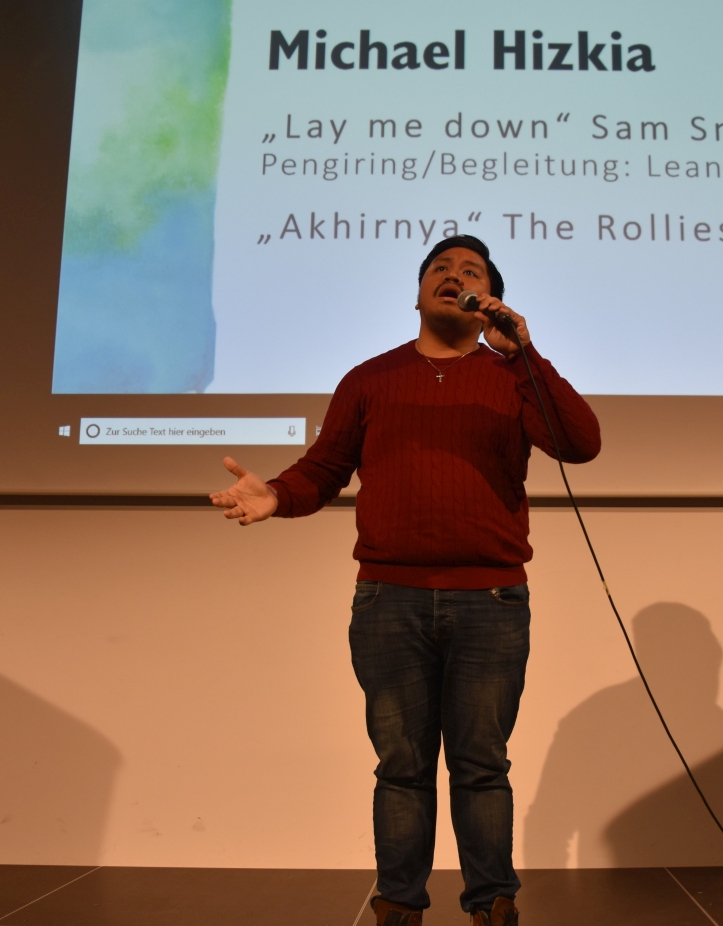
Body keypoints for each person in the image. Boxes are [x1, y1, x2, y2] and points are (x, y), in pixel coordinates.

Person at [209, 236, 601, 926]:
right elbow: (323, 469)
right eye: (440, 269)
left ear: (488, 301)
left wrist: (524, 354)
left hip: (491, 601)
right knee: (401, 765)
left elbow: (580, 443)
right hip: (389, 600)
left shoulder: (512, 377)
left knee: (482, 764)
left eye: (470, 272)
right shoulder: (370, 379)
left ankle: (492, 905)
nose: (454, 276)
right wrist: (276, 494)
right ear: (417, 294)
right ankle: (398, 905)